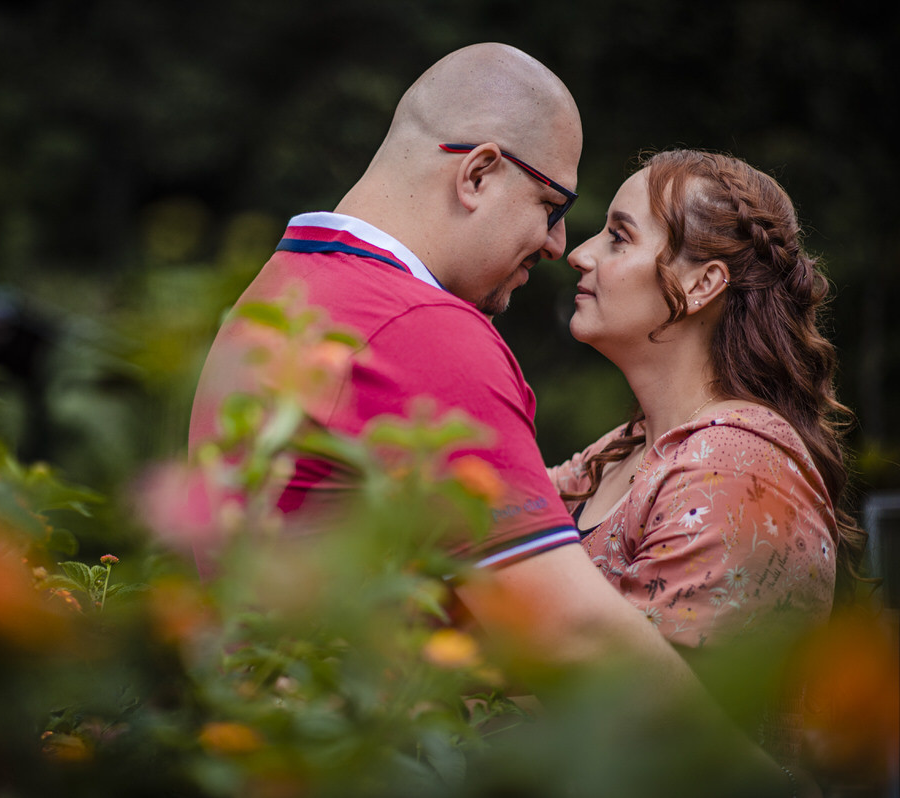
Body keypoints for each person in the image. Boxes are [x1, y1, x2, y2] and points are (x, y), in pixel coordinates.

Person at [189, 44, 803, 795]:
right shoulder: (419, 331)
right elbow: (573, 637)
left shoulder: (273, 295)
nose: (559, 247)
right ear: (478, 173)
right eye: (552, 207)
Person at [547, 148, 867, 766]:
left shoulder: (734, 466)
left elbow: (632, 715)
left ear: (701, 285)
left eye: (618, 237)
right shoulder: (624, 449)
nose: (580, 254)